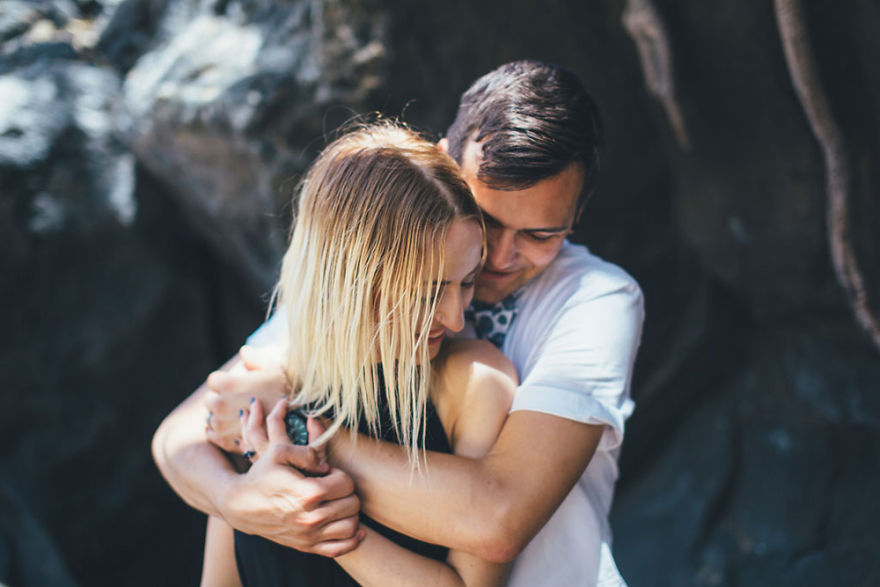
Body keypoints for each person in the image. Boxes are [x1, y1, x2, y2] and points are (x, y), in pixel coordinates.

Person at [153, 60, 644, 586]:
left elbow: (497, 518)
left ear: (578, 212)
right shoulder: (375, 288)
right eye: (489, 219)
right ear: (443, 168)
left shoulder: (596, 300)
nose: (500, 257)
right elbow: (189, 431)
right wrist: (235, 499)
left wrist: (300, 431)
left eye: (540, 235)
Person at [200, 121, 519, 585]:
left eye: (466, 283)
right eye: (426, 294)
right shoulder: (263, 389)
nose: (454, 318)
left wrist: (326, 522)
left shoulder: (475, 383)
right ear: (353, 281)